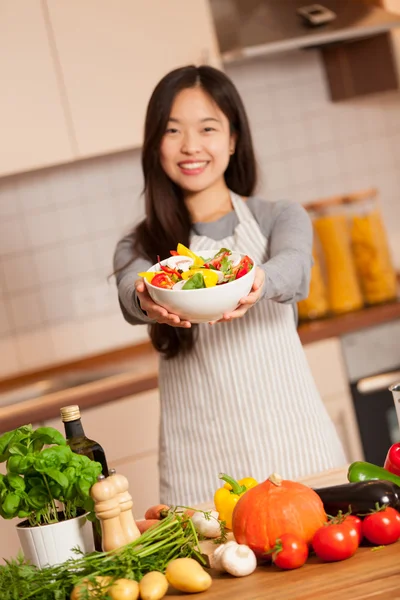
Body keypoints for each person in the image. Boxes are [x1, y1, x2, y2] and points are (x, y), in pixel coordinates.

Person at [113, 65, 346, 506]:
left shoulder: (278, 216)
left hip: (299, 449)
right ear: (155, 146)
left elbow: (295, 268)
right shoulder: (140, 244)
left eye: (208, 128)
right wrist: (147, 297)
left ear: (233, 138)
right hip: (202, 466)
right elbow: (130, 291)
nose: (191, 146)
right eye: (173, 130)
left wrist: (259, 279)